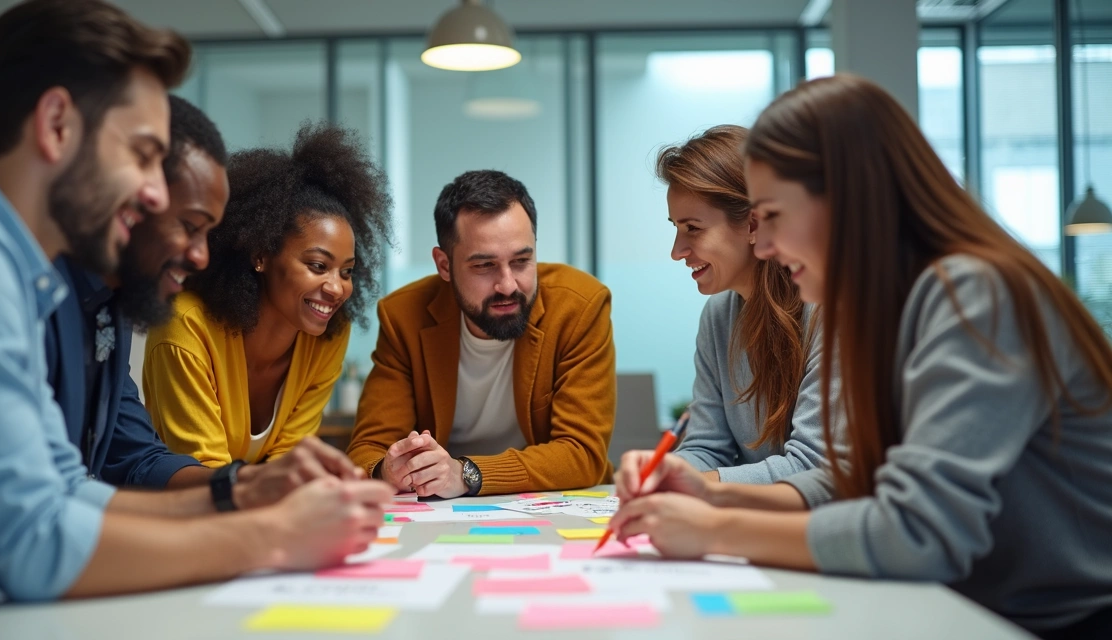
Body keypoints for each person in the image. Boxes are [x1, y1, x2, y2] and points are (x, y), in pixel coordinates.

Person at [0, 2, 388, 632]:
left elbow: (68, 490)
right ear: (56, 126)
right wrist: (272, 537)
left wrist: (239, 494)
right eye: (141, 153)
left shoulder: (19, 271)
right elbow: (34, 541)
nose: (155, 194)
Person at [611, 74, 1112, 638]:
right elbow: (855, 480)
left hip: (1057, 621)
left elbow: (916, 533)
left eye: (773, 216)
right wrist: (710, 490)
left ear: (844, 201)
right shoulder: (878, 304)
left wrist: (714, 529)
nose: (766, 245)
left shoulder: (972, 293)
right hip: (968, 605)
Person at [46, 95, 347, 510]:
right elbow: (40, 512)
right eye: (189, 226)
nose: (201, 256)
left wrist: (251, 486)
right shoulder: (34, 297)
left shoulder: (106, 312)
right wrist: (255, 516)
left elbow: (138, 460)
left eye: (346, 271)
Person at [347, 170, 617, 497]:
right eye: (484, 266)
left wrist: (465, 474)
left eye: (521, 261)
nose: (507, 285)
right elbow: (368, 451)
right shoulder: (404, 317)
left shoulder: (579, 307)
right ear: (444, 265)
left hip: (555, 504)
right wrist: (388, 469)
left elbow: (583, 453)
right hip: (440, 514)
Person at [142, 122, 393, 468]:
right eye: (318, 266)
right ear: (261, 255)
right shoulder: (185, 327)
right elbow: (204, 471)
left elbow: (289, 462)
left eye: (346, 271)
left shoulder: (328, 335)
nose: (337, 288)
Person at [656, 125, 834, 484]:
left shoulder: (827, 309)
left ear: (753, 224)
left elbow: (815, 466)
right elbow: (708, 447)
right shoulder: (719, 314)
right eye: (675, 227)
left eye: (693, 228)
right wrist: (664, 473)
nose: (677, 251)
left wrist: (701, 486)